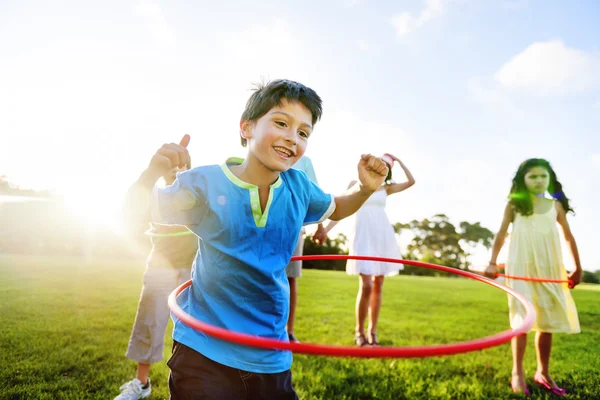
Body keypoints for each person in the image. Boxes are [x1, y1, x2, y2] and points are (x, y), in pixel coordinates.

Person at [124, 79, 390, 399]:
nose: (292, 138)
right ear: (247, 127)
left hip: (271, 355)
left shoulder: (299, 188)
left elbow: (336, 207)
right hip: (204, 353)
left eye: (303, 133)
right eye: (281, 123)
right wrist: (151, 173)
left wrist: (364, 189)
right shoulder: (204, 183)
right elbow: (135, 213)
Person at [484, 158, 582, 396]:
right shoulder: (515, 205)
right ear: (523, 180)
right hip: (521, 267)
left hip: (549, 268)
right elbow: (501, 233)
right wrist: (491, 262)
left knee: (546, 321)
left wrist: (577, 267)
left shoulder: (555, 206)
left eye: (543, 176)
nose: (539, 181)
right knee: (521, 320)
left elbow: (568, 237)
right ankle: (517, 371)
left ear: (550, 178)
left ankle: (543, 372)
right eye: (533, 176)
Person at [115, 164, 198, 400]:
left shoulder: (196, 196)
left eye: (183, 165)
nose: (177, 169)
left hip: (191, 267)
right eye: (172, 166)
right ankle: (141, 383)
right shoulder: (154, 197)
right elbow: (132, 213)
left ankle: (193, 383)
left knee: (193, 329)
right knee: (150, 320)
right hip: (160, 265)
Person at [322, 153, 415, 347]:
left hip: (382, 236)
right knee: (366, 285)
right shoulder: (356, 184)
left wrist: (398, 160)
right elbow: (341, 208)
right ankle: (359, 331)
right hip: (363, 235)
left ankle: (372, 333)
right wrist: (326, 230)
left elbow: (411, 182)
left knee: (378, 285)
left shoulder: (386, 189)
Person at [286, 155, 327, 343]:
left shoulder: (304, 161)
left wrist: (320, 226)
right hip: (263, 225)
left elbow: (315, 193)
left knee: (291, 279)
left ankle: (289, 331)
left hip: (295, 227)